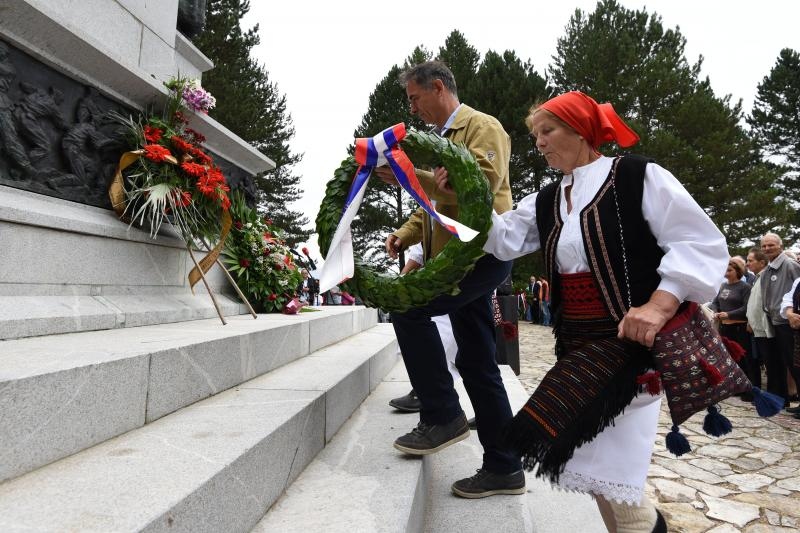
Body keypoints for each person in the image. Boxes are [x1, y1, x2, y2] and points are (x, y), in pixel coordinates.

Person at [474, 91, 726, 532]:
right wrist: (455, 193)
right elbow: (502, 239)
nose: (540, 143)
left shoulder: (637, 176)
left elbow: (699, 242)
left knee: (597, 463)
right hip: (577, 346)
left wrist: (659, 304)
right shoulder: (547, 199)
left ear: (581, 131)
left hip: (632, 345)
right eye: (535, 136)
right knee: (600, 472)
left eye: (548, 131)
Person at [376, 60, 522, 499]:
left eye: (415, 98)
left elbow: (475, 186)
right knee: (478, 364)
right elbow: (436, 205)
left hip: (480, 256)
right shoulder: (445, 138)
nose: (413, 108)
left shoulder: (483, 127)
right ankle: (504, 467)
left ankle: (441, 414)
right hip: (458, 259)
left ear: (438, 87)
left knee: (407, 307)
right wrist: (406, 233)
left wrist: (412, 175)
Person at [389, 242, 461, 413]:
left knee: (439, 337)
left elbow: (419, 253)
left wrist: (398, 284)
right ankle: (489, 413)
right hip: (450, 276)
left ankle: (434, 397)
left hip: (450, 277)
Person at [759, 232, 800, 409]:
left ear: (780, 246)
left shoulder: (790, 265)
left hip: (788, 323)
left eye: (771, 245)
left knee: (794, 363)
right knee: (777, 362)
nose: (767, 248)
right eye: (764, 246)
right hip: (772, 322)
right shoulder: (767, 270)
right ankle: (780, 400)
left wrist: (792, 314)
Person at [709, 259, 752, 399]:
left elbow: (747, 307)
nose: (726, 272)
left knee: (742, 357)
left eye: (729, 270)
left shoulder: (745, 287)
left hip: (739, 327)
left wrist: (729, 314)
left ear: (737, 271)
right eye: (725, 270)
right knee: (728, 357)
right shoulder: (723, 285)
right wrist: (716, 311)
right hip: (724, 327)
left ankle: (745, 388)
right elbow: (715, 302)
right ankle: (733, 386)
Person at [745, 247, 772, 391]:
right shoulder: (758, 277)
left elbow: (765, 304)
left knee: (771, 364)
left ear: (762, 262)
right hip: (757, 328)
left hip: (765, 329)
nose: (747, 263)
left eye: (750, 260)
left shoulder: (766, 277)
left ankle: (777, 396)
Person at [780, 275, 800, 418]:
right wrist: (790, 314)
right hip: (798, 329)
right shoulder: (799, 281)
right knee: (798, 368)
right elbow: (788, 298)